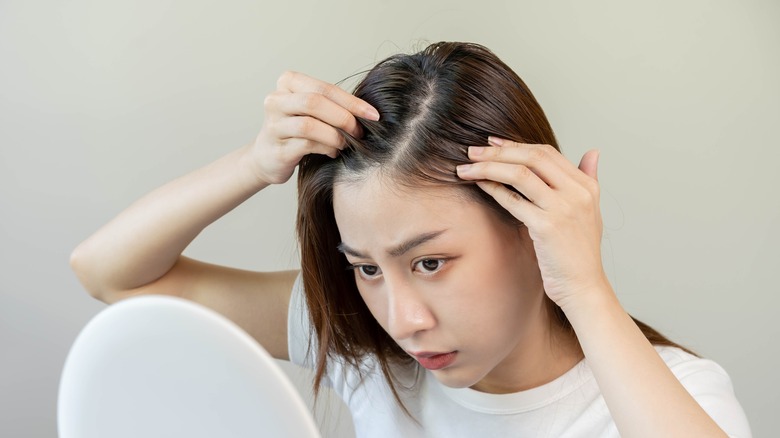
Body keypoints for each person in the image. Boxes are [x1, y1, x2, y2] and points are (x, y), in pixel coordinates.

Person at [71, 42, 750, 437]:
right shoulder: (364, 346)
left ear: (530, 222)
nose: (403, 320)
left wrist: (583, 285)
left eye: (430, 262)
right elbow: (112, 275)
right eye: (366, 268)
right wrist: (254, 164)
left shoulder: (669, 397)